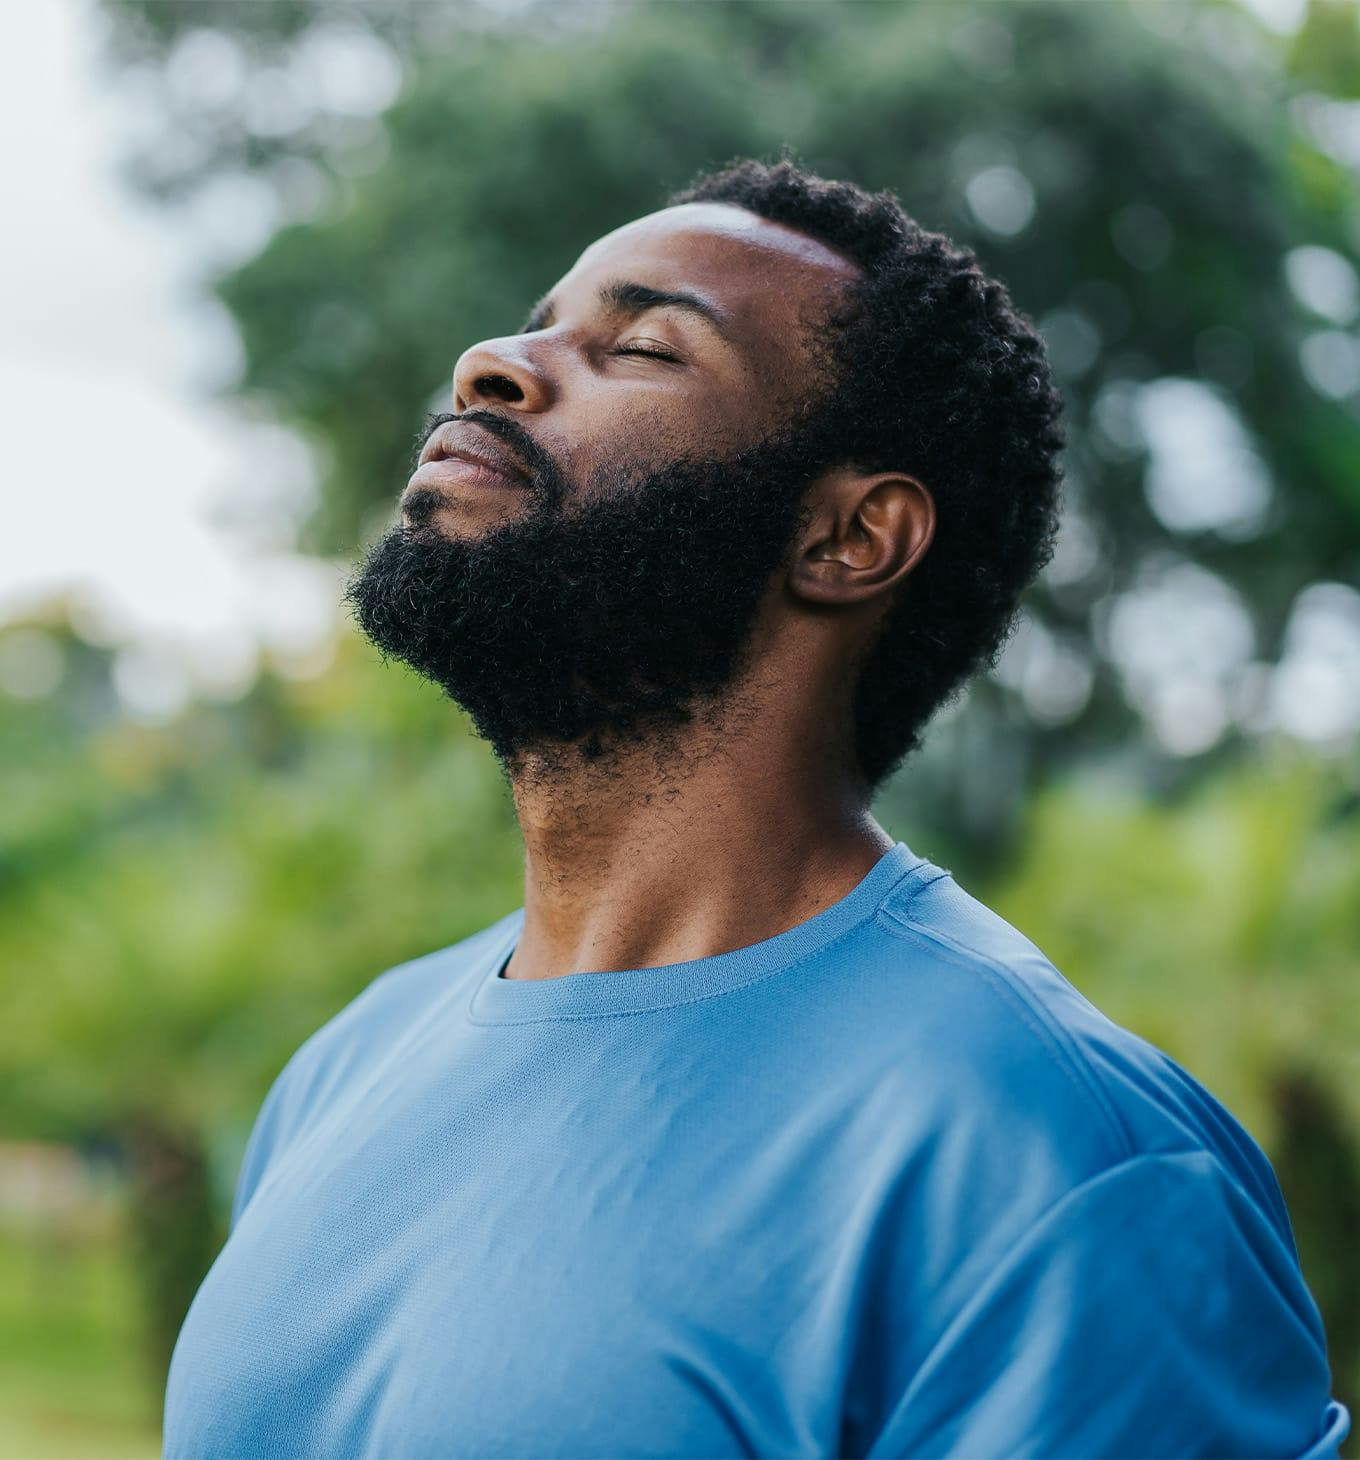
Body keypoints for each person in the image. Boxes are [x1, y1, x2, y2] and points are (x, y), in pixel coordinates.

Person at [162, 157, 1350, 1459]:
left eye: (646, 348)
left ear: (849, 539)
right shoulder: (349, 1067)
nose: (493, 364)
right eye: (540, 319)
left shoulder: (1059, 1158)